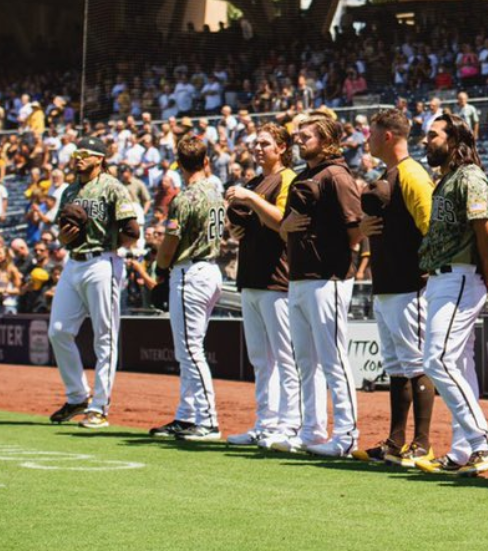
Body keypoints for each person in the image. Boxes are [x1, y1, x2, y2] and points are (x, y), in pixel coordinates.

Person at [413, 113, 488, 477]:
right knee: (461, 365)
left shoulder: (469, 176)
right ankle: (463, 449)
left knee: (437, 360)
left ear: (454, 140)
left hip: (461, 276)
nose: (426, 141)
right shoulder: (448, 179)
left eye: (434, 135)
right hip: (444, 278)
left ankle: (484, 442)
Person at [271, 111, 364, 457]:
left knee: (333, 359)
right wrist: (285, 227)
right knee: (305, 361)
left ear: (326, 141)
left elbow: (355, 230)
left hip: (328, 277)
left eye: (306, 136)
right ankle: (311, 430)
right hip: (300, 276)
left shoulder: (337, 176)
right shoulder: (304, 176)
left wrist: (331, 247)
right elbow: (284, 226)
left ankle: (347, 435)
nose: (299, 139)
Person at [352, 109, 438, 467]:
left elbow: (432, 228)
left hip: (409, 284)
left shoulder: (412, 174)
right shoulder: (388, 175)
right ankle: (395, 442)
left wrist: (426, 273)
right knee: (397, 366)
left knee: (416, 363)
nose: (367, 140)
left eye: (371, 133)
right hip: (388, 285)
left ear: (387, 136)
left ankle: (423, 444)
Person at [47, 137, 142, 429]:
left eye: (85, 154)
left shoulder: (112, 186)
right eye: (77, 153)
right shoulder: (70, 190)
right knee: (58, 331)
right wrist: (65, 237)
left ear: (99, 158)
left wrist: (111, 246)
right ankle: (77, 396)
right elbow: (61, 230)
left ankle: (99, 406)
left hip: (102, 262)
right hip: (73, 262)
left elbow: (132, 230)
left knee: (105, 338)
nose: (78, 157)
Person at [221, 124, 300, 449]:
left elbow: (281, 221)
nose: (258, 148)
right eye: (256, 143)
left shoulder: (288, 178)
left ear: (281, 147)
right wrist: (235, 226)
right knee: (260, 358)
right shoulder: (254, 182)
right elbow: (246, 222)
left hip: (276, 277)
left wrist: (250, 198)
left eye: (265, 143)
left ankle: (290, 424)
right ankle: (265, 423)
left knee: (284, 356)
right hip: (251, 276)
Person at [145, 136, 226, 441]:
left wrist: (160, 270)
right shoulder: (216, 191)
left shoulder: (184, 198)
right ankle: (186, 415)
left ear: (179, 164)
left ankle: (208, 420)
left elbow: (170, 243)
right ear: (205, 161)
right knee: (189, 350)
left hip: (190, 271)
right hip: (210, 269)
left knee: (190, 350)